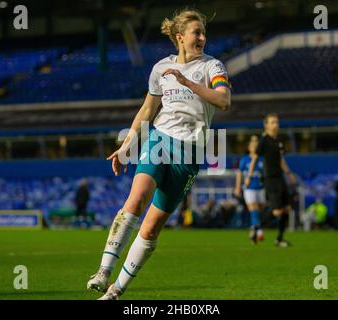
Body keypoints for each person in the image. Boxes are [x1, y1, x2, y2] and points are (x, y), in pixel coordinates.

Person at [86, 8, 231, 300]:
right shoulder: (159, 69)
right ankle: (103, 270)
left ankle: (116, 291)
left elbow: (224, 100)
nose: (202, 37)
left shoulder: (212, 67)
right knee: (136, 200)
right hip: (160, 141)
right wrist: (126, 145)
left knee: (151, 228)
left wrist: (188, 82)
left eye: (204, 32)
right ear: (180, 37)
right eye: (196, 32)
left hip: (190, 153)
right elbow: (148, 111)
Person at [245, 113, 297, 247]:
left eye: (277, 122)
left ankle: (279, 239)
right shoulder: (264, 141)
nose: (276, 125)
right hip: (270, 179)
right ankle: (256, 228)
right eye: (273, 122)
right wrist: (249, 177)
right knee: (277, 211)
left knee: (287, 208)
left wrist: (289, 173)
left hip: (280, 177)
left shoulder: (279, 140)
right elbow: (255, 159)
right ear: (266, 125)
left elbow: (281, 160)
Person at [235, 135, 266, 244]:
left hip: (261, 188)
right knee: (254, 209)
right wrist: (237, 187)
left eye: (256, 144)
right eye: (252, 144)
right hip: (249, 188)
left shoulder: (262, 159)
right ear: (248, 147)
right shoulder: (244, 159)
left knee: (260, 211)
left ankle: (254, 229)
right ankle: (258, 231)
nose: (254, 146)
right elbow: (239, 174)